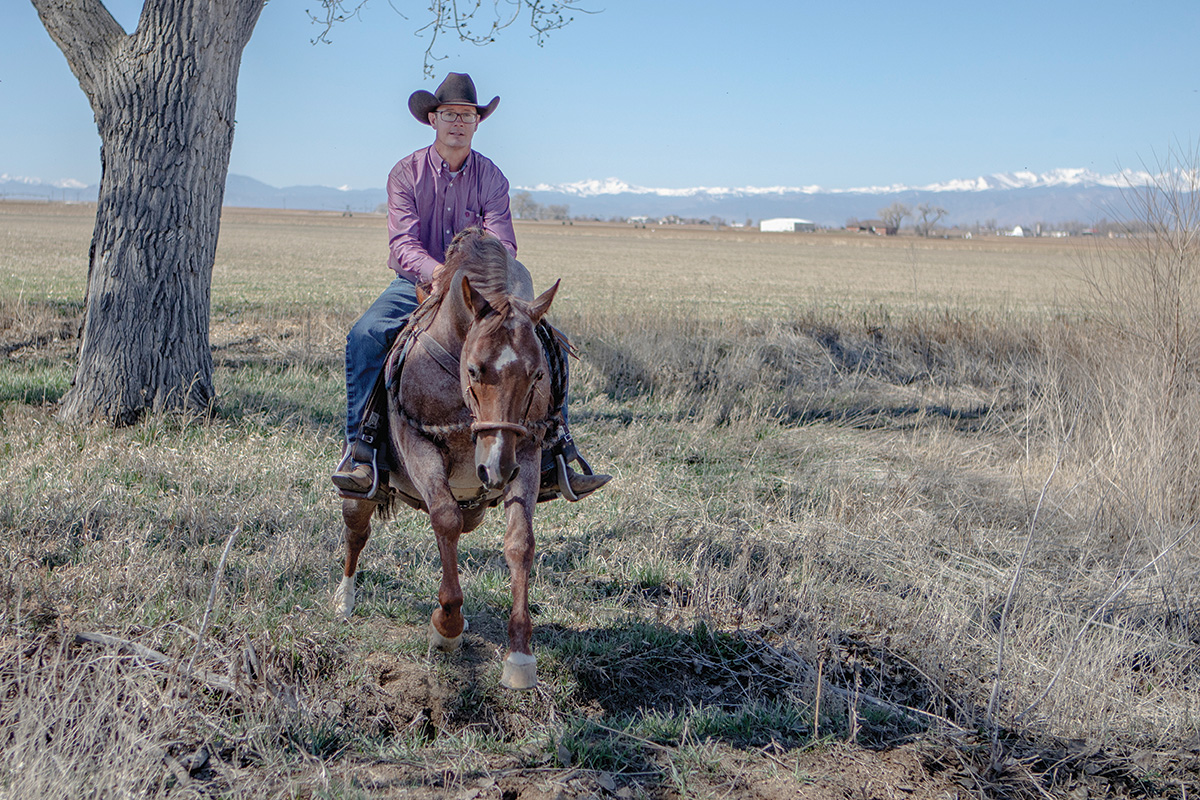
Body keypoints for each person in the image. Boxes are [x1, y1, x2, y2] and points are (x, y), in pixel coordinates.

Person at [332, 72, 610, 500]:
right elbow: (403, 243)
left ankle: (558, 452)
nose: (458, 122)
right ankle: (362, 449)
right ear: (433, 120)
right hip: (419, 283)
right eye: (449, 115)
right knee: (367, 334)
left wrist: (477, 283)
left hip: (483, 292)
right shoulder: (406, 173)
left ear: (477, 122)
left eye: (466, 115)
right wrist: (442, 275)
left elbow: (503, 243)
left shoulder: (492, 178)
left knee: (547, 341)